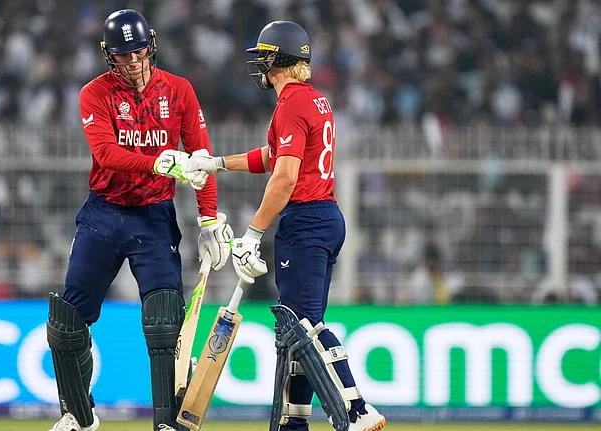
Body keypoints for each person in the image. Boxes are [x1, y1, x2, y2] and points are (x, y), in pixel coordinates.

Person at [184, 21, 386, 431]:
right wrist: (218, 162)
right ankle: (294, 424)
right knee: (295, 336)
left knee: (305, 328)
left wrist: (253, 233)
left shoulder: (290, 105)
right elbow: (272, 156)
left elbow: (285, 177)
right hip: (325, 217)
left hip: (306, 220)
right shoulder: (314, 101)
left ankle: (357, 408)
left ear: (275, 58)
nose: (258, 62)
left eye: (263, 54)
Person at [45, 9, 233, 431]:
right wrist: (161, 164)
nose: (133, 61)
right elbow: (106, 153)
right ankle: (79, 415)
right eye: (123, 54)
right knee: (66, 323)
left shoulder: (179, 90)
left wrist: (207, 220)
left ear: (152, 45)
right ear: (108, 54)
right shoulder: (94, 93)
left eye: (139, 51)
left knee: (166, 323)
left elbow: (200, 160)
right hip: (104, 212)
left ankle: (167, 423)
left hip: (153, 217)